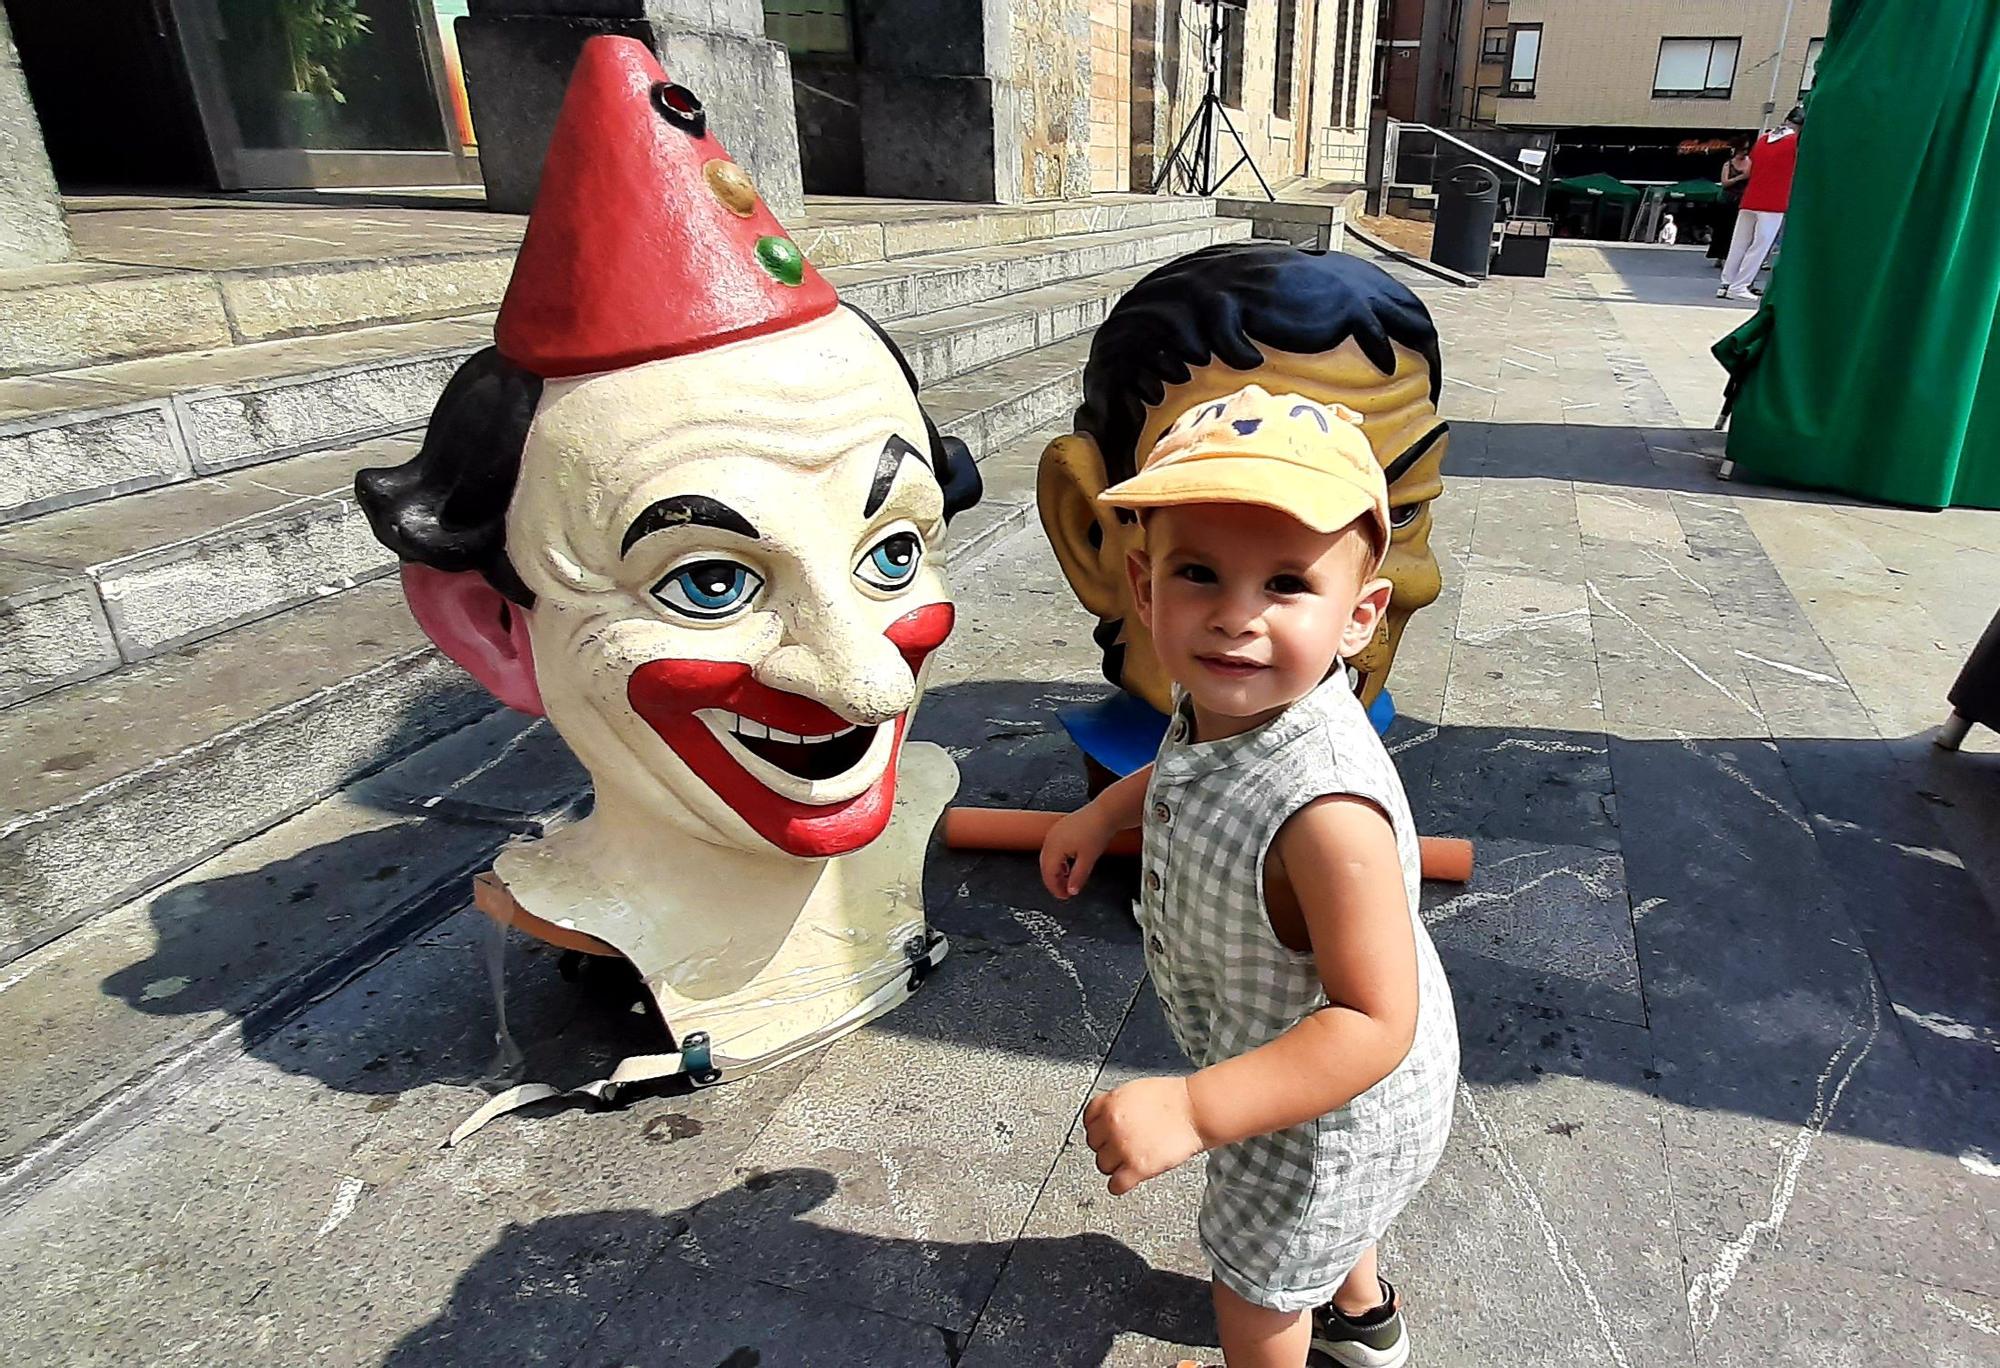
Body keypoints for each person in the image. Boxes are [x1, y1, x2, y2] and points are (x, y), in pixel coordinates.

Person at [1039, 386, 1459, 1368]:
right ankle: (1364, 1321)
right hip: (1293, 1070)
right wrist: (1106, 810)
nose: (1234, 618)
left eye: (1283, 584)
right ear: (1142, 590)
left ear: (1357, 616)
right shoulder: (1228, 708)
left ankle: (1312, 1329)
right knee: (1327, 1228)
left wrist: (1191, 1110)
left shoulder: (1325, 815)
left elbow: (1370, 1023)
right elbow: (1188, 761)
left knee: (1257, 1282)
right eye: (1198, 574)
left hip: (1320, 1103)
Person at [1720, 107, 1805, 299]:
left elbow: (1753, 165)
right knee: (1760, 246)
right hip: (1773, 200)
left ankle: (1726, 283)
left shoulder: (1764, 138)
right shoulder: (1795, 142)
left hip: (1751, 197)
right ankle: (1740, 285)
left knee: (1739, 243)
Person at [1708, 138, 1753, 264]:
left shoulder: (1750, 162)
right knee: (1723, 228)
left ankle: (1730, 257)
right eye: (1742, 150)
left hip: (1741, 198)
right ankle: (1720, 256)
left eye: (1746, 150)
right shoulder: (1728, 164)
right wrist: (1740, 177)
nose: (1744, 152)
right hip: (1728, 199)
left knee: (1736, 229)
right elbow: (1725, 182)